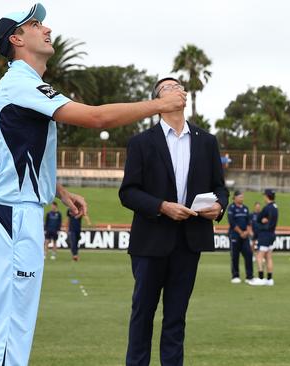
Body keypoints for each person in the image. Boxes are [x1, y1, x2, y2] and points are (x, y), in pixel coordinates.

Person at [0, 4, 186, 366]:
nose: (45, 29)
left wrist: (58, 191)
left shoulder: (21, 85)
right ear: (16, 39)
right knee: (13, 320)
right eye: (35, 24)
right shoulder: (20, 82)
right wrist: (159, 104)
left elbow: (19, 152)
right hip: (13, 215)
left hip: (6, 209)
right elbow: (95, 117)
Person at [119, 75, 228, 365]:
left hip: (189, 241)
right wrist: (162, 206)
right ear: (157, 101)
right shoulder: (141, 142)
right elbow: (128, 192)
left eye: (179, 86)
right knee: (142, 314)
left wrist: (219, 206)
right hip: (150, 241)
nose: (176, 89)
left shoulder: (207, 141)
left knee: (176, 318)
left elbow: (220, 187)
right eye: (168, 87)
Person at [249, 189, 278, 286]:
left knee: (259, 256)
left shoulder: (267, 208)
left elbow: (258, 219)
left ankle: (261, 278)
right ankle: (269, 279)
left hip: (265, 234)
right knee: (269, 257)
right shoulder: (275, 207)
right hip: (272, 234)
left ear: (267, 196)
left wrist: (261, 223)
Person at [227, 190, 254, 284]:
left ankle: (249, 276)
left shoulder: (245, 208)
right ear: (235, 197)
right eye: (240, 197)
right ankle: (235, 276)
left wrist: (247, 231)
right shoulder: (231, 208)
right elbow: (232, 222)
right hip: (235, 235)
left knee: (249, 254)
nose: (242, 198)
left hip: (245, 236)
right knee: (235, 256)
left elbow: (249, 222)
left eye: (243, 197)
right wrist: (241, 232)